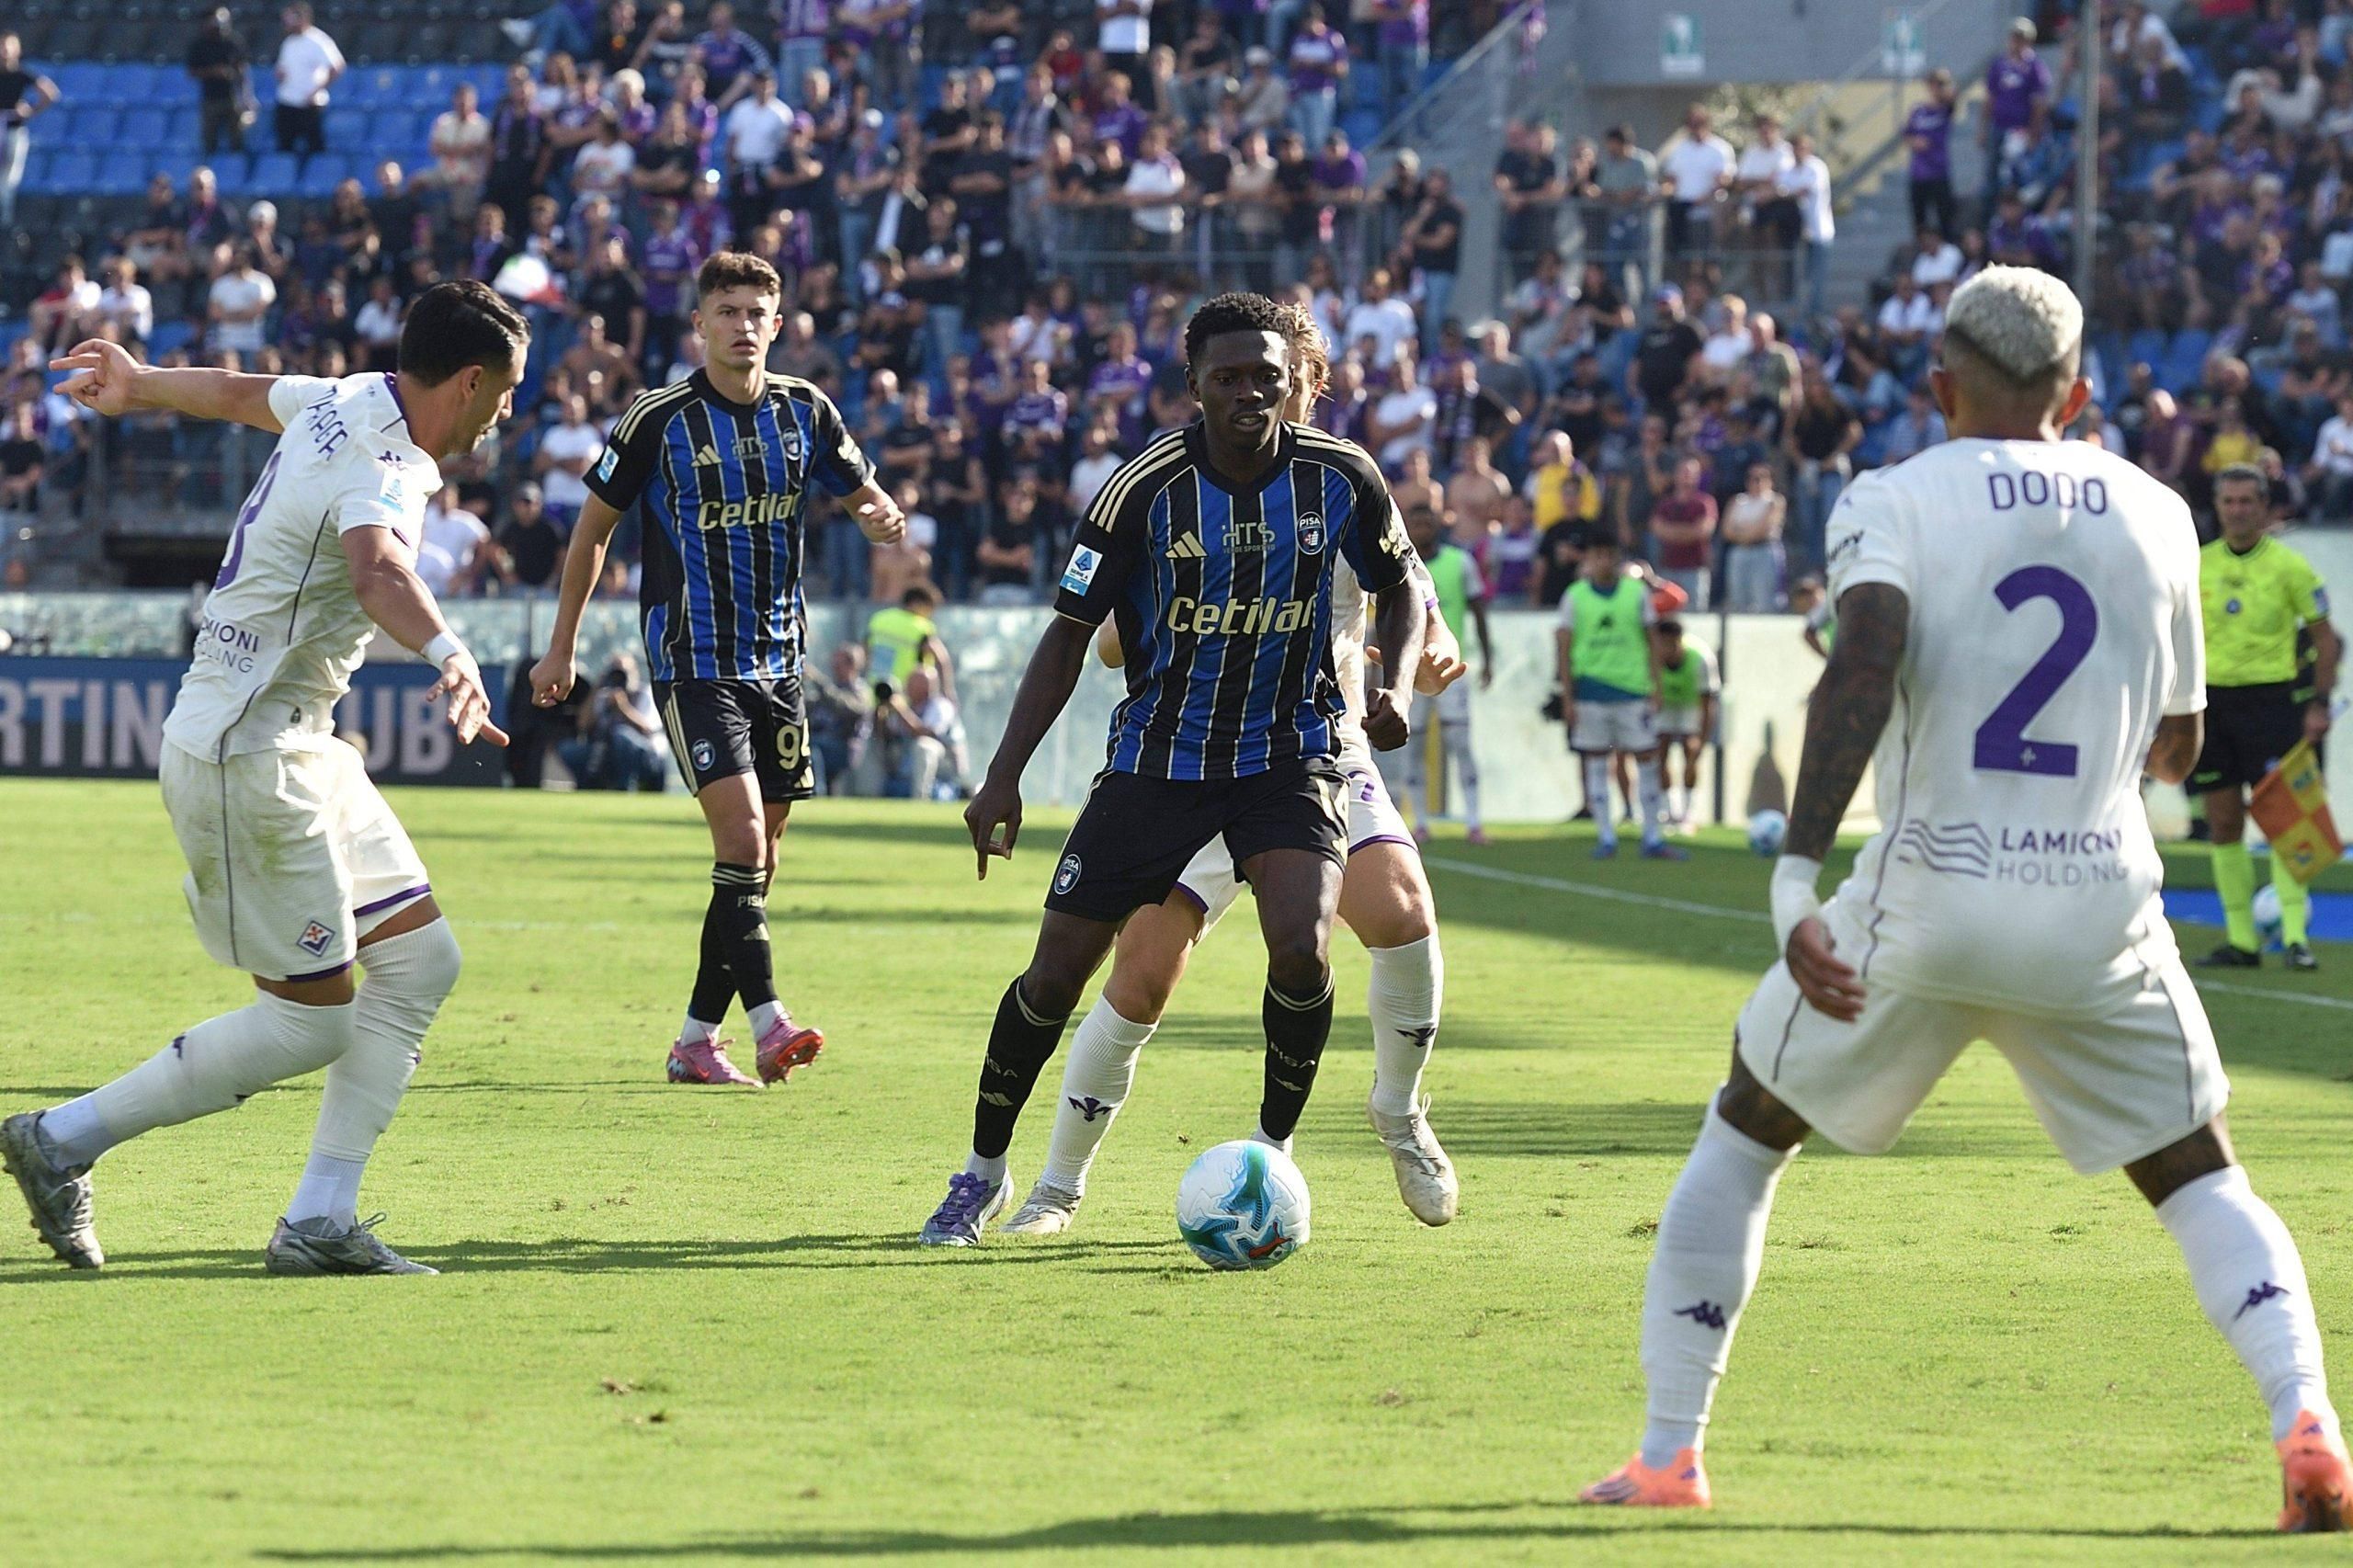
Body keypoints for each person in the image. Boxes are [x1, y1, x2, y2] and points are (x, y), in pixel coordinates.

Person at [1577, 267, 2353, 1532]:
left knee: (1744, 1129)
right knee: (2204, 1178)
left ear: (1941, 384)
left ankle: (1670, 1451)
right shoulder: (2160, 512)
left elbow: (1865, 659)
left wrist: (1792, 872)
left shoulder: (1893, 496)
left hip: (1929, 900)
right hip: (2098, 912)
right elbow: (2181, 743)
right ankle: (2308, 1421)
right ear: (2082, 392)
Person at [3, 282, 525, 1275]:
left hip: (300, 741)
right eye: (504, 392)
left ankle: (320, 1217)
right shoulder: (391, 459)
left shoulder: (348, 394)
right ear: (467, 381)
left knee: (421, 961)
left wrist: (145, 381)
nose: (506, 412)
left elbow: (244, 394)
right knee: (309, 1019)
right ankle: (60, 1137)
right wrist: (452, 652)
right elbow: (377, 569)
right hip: (246, 755)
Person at [917, 291, 1426, 1247]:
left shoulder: (1340, 476)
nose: (1248, 391)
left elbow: (1401, 587)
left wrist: (1392, 686)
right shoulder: (1141, 487)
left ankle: (1270, 1159)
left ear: (1291, 380)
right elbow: (1068, 634)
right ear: (1192, 383)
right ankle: (981, 1171)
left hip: (1291, 754)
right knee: (1055, 974)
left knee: (1302, 950)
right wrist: (1001, 777)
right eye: (1227, 376)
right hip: (1160, 760)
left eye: (1265, 375)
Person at [528, 251, 905, 1090]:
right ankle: (771, 1024)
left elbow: (865, 495)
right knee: (739, 842)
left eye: (755, 313)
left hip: (781, 661)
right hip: (693, 659)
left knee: (759, 863)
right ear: (699, 325)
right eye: (725, 311)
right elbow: (592, 534)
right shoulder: (656, 420)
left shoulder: (806, 410)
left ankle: (697, 1040)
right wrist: (563, 648)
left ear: (778, 324)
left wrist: (880, 517)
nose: (742, 326)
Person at [2191, 465, 2339, 971]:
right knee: (2223, 820)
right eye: (2228, 501)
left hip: (2272, 705)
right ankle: (2241, 941)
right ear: (2218, 507)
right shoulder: (2196, 565)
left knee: (2286, 822)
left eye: (2246, 501)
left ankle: (2296, 938)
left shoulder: (2290, 567)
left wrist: (2318, 703)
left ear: (2264, 507)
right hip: (2212, 705)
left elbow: (2326, 639)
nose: (2237, 510)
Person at [1556, 534, 1680, 861]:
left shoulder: (1636, 593)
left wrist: (1656, 686)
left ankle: (1652, 836)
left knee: (1647, 761)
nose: (1604, 562)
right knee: (1597, 763)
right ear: (1589, 559)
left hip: (1633, 691)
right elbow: (1564, 646)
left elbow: (1652, 639)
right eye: (1598, 555)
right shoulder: (1575, 596)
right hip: (1591, 692)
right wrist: (1567, 696)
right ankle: (1606, 837)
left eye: (1610, 555)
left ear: (1618, 559)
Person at [1404, 498, 1492, 846]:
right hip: (1410, 671)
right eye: (1416, 524)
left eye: (1427, 523)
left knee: (1460, 743)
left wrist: (1489, 659)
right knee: (1414, 746)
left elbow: (1479, 611)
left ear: (1438, 525)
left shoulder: (1461, 562)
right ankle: (1421, 822)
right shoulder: (1397, 565)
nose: (1422, 530)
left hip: (1451, 668)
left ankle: (1473, 821)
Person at [1652, 615, 1719, 827]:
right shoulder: (1649, 656)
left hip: (1691, 705)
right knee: (1658, 754)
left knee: (1691, 752)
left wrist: (1702, 739)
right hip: (1665, 704)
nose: (1663, 649)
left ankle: (1687, 814)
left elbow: (1707, 702)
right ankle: (1667, 811)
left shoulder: (1700, 658)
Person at [272, 3, 344, 160]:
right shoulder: (289, 42)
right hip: (287, 101)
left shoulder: (318, 40)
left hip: (309, 104)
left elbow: (337, 66)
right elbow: (282, 68)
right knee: (284, 147)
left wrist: (317, 91)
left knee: (315, 148)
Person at [0, 36, 54, 232]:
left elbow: (50, 93)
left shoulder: (22, 74)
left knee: (8, 178)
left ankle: (5, 221)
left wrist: (30, 111)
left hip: (13, 129)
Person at [186, 8, 252, 155]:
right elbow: (191, 72)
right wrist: (214, 72)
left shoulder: (233, 42)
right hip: (210, 99)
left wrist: (246, 98)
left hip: (232, 98)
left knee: (236, 140)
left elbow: (242, 70)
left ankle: (235, 169)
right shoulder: (199, 45)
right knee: (209, 141)